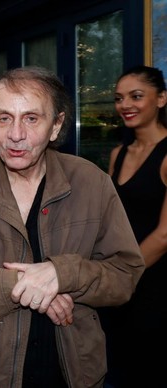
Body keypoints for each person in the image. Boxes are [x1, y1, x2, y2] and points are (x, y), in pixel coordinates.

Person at [0, 66, 145, 388]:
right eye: (4, 118)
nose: (16, 134)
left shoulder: (93, 184)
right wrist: (19, 287)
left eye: (32, 118)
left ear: (56, 126)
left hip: (75, 372)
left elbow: (125, 275)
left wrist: (63, 275)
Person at [101, 65, 167, 388]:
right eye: (119, 98)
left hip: (155, 282)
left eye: (136, 96)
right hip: (122, 277)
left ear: (162, 99)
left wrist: (120, 274)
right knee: (118, 368)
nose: (125, 104)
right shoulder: (118, 153)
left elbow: (165, 235)